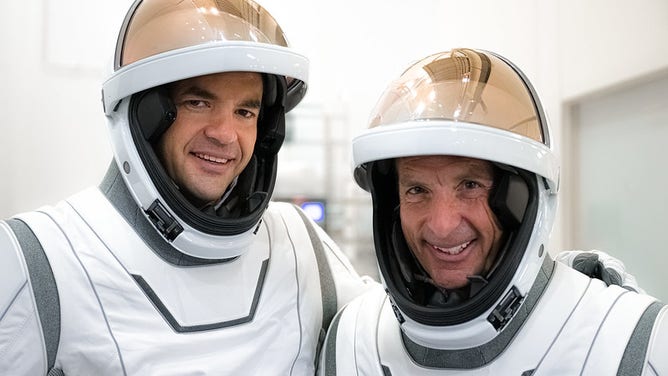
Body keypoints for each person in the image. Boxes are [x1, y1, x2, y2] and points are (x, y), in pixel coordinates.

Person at [0, 0, 372, 374]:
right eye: (198, 102)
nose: (225, 135)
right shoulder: (42, 258)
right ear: (147, 116)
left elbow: (385, 342)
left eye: (245, 112)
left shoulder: (299, 242)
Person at [318, 48, 667, 375]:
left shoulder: (628, 343)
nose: (442, 225)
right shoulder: (352, 340)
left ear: (518, 201)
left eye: (469, 185)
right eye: (417, 190)